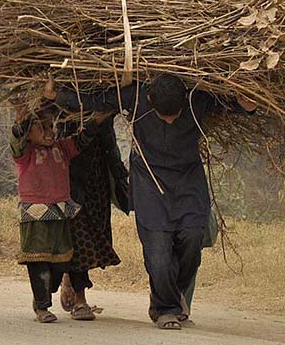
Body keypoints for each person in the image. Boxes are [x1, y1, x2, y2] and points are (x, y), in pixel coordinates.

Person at [50, 74, 256, 330]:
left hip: (188, 183)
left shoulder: (196, 99)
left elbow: (231, 103)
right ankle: (166, 308)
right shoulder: (135, 97)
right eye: (163, 115)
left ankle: (167, 295)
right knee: (158, 253)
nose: (170, 120)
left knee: (192, 241)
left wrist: (247, 105)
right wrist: (56, 95)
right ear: (150, 99)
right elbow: (95, 99)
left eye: (175, 115)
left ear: (185, 100)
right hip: (149, 183)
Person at [43, 78, 128, 321]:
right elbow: (47, 117)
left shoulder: (107, 84)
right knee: (78, 231)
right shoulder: (59, 87)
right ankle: (80, 298)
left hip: (98, 169)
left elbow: (119, 104)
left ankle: (71, 277)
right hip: (67, 169)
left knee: (95, 230)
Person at [10, 103, 104, 323]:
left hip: (61, 213)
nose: (49, 132)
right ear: (28, 133)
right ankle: (42, 307)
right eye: (41, 128)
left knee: (60, 262)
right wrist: (19, 125)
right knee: (38, 263)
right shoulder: (25, 154)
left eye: (51, 126)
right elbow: (16, 140)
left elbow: (82, 139)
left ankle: (50, 290)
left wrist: (97, 120)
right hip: (35, 217)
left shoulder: (62, 148)